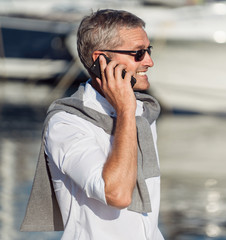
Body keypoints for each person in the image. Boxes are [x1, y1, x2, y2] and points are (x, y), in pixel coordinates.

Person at [21, 9, 164, 240]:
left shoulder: (141, 112)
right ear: (101, 60)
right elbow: (117, 195)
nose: (149, 61)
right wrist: (125, 111)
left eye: (149, 50)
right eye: (138, 53)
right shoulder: (67, 123)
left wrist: (128, 110)